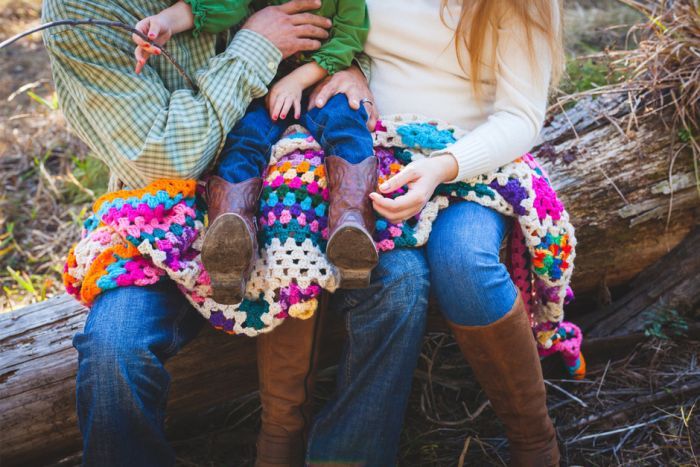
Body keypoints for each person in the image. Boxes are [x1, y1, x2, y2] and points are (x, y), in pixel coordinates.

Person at [42, 0, 429, 465]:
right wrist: (257, 44)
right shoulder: (85, 11)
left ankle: (347, 454)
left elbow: (342, 21)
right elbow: (167, 157)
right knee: (113, 348)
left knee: (402, 282)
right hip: (166, 219)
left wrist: (353, 69)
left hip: (302, 186)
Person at [307, 0, 565, 465]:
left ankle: (534, 441)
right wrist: (350, 69)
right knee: (395, 276)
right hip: (374, 151)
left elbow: (521, 116)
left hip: (472, 161)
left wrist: (442, 168)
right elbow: (331, 26)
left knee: (463, 260)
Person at [130, 0, 378, 305]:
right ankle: (230, 241)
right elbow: (220, 6)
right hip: (266, 86)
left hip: (321, 82)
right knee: (244, 138)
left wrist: (297, 80)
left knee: (347, 124)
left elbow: (349, 38)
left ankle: (352, 226)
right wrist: (166, 21)